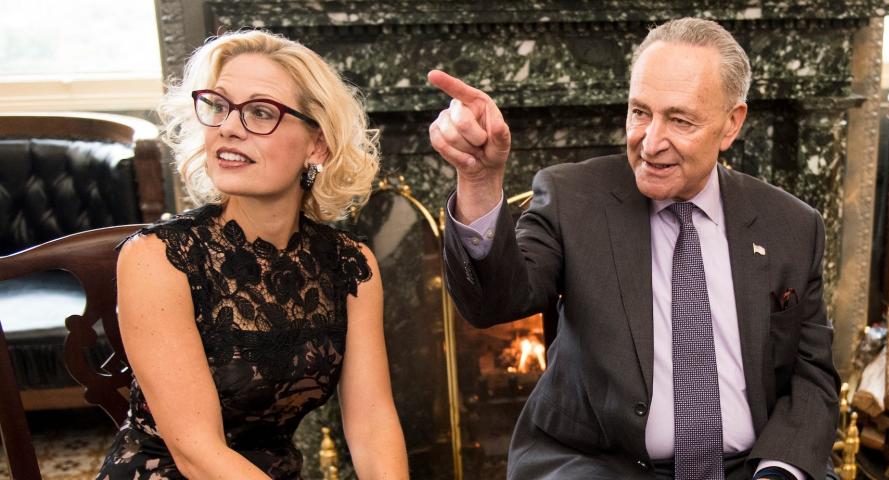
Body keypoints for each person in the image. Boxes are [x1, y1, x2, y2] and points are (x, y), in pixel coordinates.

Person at [429, 17, 839, 480]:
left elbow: (812, 377)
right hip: (600, 466)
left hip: (752, 468)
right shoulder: (573, 197)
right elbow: (493, 302)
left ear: (731, 125)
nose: (651, 141)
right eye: (640, 112)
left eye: (680, 120)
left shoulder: (791, 225)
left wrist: (779, 471)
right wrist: (480, 181)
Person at [97, 30, 408, 479]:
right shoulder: (160, 257)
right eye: (219, 106)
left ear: (317, 145)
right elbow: (197, 454)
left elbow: (372, 424)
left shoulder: (349, 264)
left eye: (261, 111)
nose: (228, 126)